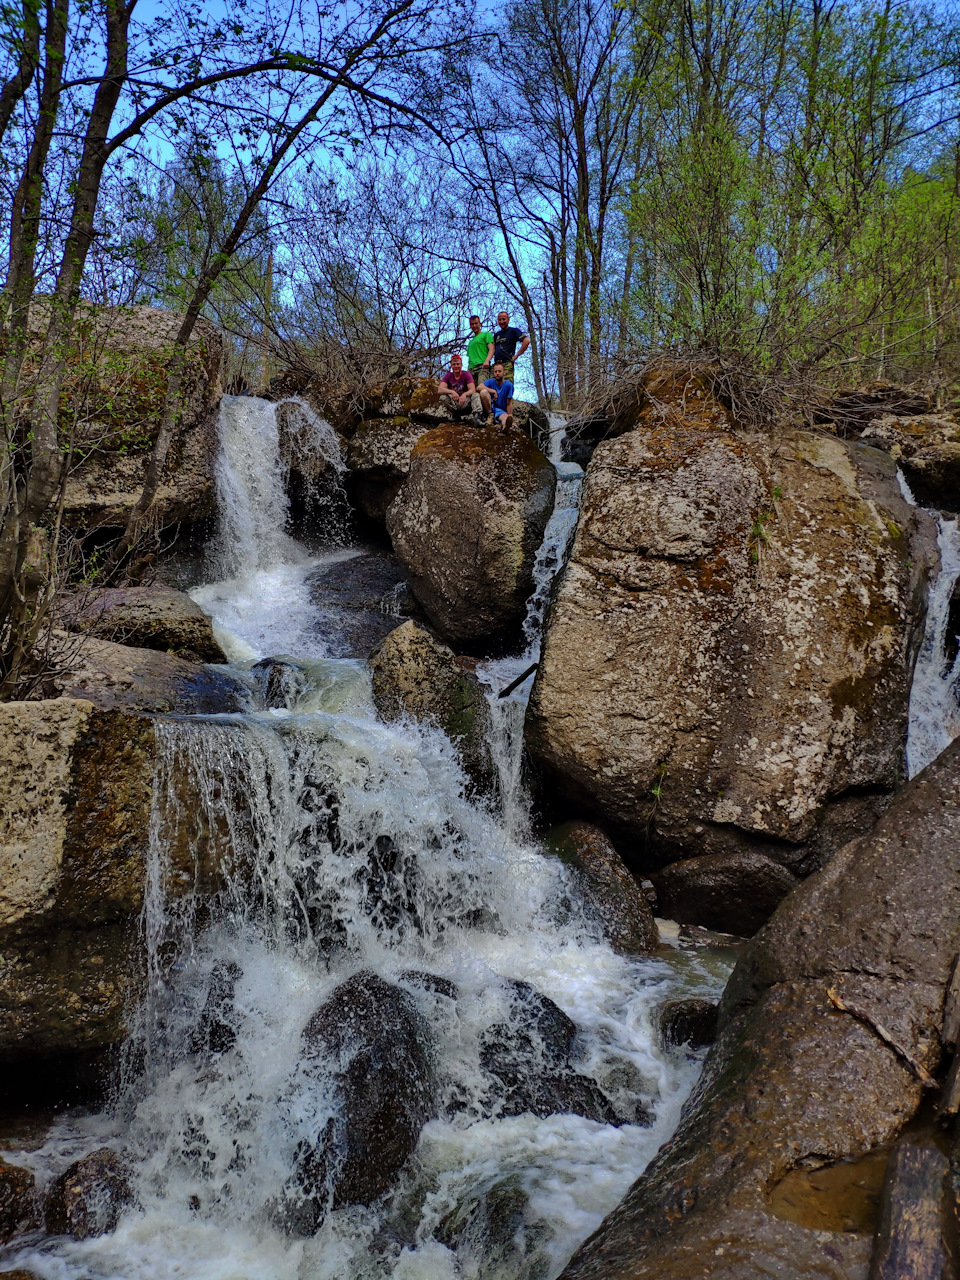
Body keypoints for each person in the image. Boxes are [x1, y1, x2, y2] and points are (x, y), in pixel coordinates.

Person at [438, 354, 483, 423]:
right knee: (443, 397)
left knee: (475, 395)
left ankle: (477, 417)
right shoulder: (448, 375)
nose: (456, 366)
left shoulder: (466, 374)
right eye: (454, 364)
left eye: (458, 364)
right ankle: (456, 415)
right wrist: (452, 392)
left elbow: (472, 389)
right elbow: (440, 389)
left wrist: (465, 394)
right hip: (455, 403)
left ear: (461, 364)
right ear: (451, 366)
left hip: (465, 402)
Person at [491, 312, 529, 381]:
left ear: (508, 319)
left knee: (507, 386)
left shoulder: (513, 331)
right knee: (493, 387)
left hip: (507, 364)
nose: (502, 322)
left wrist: (516, 355)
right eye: (500, 320)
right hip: (496, 365)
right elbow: (492, 349)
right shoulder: (497, 335)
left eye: (503, 319)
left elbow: (526, 341)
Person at [466, 315, 494, 392]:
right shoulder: (470, 342)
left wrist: (487, 360)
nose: (474, 326)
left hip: (482, 366)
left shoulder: (486, 335)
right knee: (471, 391)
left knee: (481, 388)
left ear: (480, 324)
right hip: (471, 369)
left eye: (476, 323)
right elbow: (470, 358)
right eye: (472, 324)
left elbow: (492, 348)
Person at [483, 362, 514, 431]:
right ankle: (490, 416)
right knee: (483, 392)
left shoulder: (508, 385)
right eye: (495, 371)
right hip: (489, 408)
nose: (497, 373)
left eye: (499, 371)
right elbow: (479, 387)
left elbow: (509, 403)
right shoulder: (490, 382)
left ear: (504, 372)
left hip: (501, 411)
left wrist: (510, 415)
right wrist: (493, 391)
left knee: (504, 417)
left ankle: (505, 426)